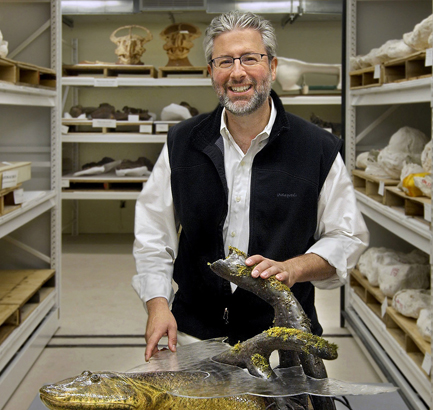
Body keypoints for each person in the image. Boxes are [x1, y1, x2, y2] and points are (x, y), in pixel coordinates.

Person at [133, 11, 369, 362]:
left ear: (272, 67)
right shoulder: (181, 143)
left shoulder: (316, 147)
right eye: (224, 61)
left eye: (250, 58)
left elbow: (347, 237)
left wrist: (294, 268)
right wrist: (157, 305)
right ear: (210, 72)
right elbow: (154, 236)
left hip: (285, 342)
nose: (237, 72)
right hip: (195, 337)